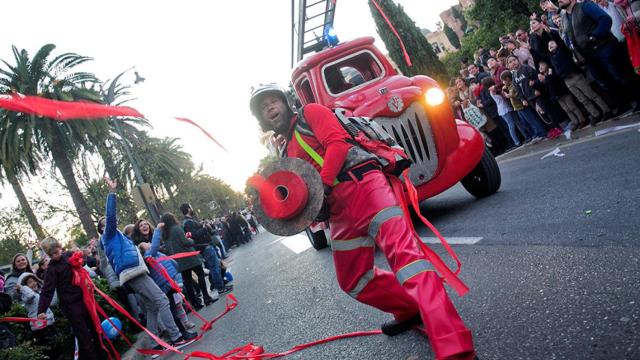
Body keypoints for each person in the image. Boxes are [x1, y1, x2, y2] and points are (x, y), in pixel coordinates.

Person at [248, 84, 477, 360]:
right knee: (352, 279)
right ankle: (409, 308)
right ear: (261, 119)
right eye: (264, 107)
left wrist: (322, 185)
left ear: (287, 103)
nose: (271, 107)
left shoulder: (311, 113)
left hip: (366, 187)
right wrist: (267, 198)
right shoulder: (283, 151)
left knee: (409, 263)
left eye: (274, 101)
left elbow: (337, 143)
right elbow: (296, 199)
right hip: (338, 211)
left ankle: (456, 347)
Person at [97, 178, 191, 350]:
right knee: (162, 300)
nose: (110, 222)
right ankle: (176, 337)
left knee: (152, 308)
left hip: (135, 272)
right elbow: (110, 216)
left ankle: (155, 344)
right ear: (103, 229)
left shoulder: (118, 237)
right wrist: (112, 193)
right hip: (133, 273)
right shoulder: (108, 236)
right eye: (105, 224)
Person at [559, 0, 640, 113]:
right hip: (588, 55)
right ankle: (623, 104)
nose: (558, 0)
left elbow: (605, 19)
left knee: (621, 75)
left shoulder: (586, 5)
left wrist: (594, 36)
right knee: (606, 81)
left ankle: (638, 99)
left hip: (604, 47)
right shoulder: (566, 17)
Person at [38, 237, 103, 360]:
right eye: (53, 254)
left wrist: (79, 259)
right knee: (84, 337)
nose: (57, 255)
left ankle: (102, 355)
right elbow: (47, 291)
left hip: (84, 299)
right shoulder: (52, 269)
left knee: (96, 329)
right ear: (48, 255)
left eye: (58, 251)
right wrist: (41, 310)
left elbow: (83, 261)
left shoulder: (68, 255)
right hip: (70, 305)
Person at [138, 225, 197, 342]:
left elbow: (170, 262)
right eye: (146, 245)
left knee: (175, 307)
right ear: (144, 251)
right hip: (164, 285)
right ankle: (182, 333)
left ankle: (183, 331)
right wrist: (158, 230)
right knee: (172, 310)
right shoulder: (149, 256)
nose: (149, 244)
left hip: (169, 283)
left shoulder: (156, 254)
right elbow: (155, 246)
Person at [160, 212, 216, 310]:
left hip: (179, 260)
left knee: (188, 282)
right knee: (200, 275)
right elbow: (185, 241)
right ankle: (206, 297)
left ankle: (195, 304)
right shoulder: (176, 228)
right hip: (190, 257)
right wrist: (191, 240)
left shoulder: (165, 234)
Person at [547, 40, 612, 123]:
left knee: (591, 94)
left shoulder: (562, 51)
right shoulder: (551, 58)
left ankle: (606, 110)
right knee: (582, 99)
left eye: (552, 43)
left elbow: (561, 43)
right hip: (567, 81)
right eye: (549, 45)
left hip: (575, 76)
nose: (550, 46)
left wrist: (552, 34)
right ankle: (595, 114)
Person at [180, 203, 231, 296]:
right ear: (188, 209)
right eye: (191, 207)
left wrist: (204, 226)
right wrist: (203, 228)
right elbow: (193, 236)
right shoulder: (187, 223)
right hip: (204, 247)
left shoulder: (190, 221)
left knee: (217, 265)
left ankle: (218, 284)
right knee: (214, 266)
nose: (192, 208)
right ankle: (220, 288)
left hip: (206, 245)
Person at [507, 55, 551, 138]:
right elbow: (518, 89)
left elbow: (536, 78)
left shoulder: (526, 68)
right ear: (508, 66)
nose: (513, 63)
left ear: (518, 60)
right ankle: (549, 130)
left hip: (535, 94)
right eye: (510, 62)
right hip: (529, 98)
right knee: (540, 114)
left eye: (514, 60)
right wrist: (522, 99)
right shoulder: (514, 75)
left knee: (545, 111)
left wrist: (536, 88)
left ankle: (555, 127)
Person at [537, 60, 587, 130]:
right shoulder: (543, 77)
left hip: (562, 92)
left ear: (547, 65)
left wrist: (545, 78)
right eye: (539, 66)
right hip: (556, 96)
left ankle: (582, 119)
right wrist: (542, 81)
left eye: (542, 65)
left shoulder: (550, 70)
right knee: (566, 109)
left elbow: (553, 79)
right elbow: (546, 88)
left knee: (572, 107)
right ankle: (575, 122)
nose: (540, 67)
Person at [16, 272, 55, 343]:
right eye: (30, 282)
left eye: (34, 281)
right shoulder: (27, 298)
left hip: (48, 322)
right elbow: (30, 295)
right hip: (40, 325)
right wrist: (22, 288)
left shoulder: (38, 293)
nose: (34, 283)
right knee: (46, 345)